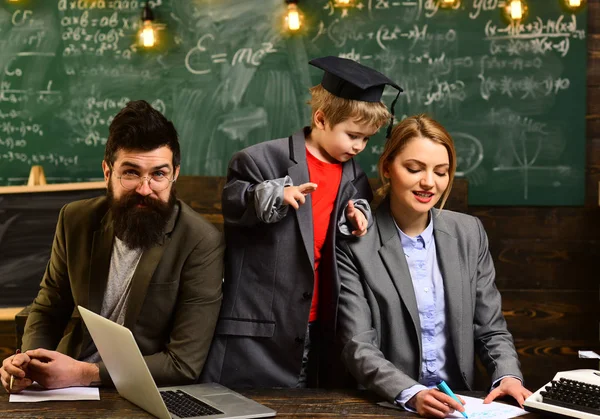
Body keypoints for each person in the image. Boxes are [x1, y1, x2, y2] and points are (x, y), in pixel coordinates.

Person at [200, 56, 403, 388]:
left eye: (367, 139)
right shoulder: (260, 159)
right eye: (352, 135)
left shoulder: (354, 174)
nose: (359, 146)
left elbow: (357, 222)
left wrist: (358, 218)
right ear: (321, 119)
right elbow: (235, 203)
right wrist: (275, 194)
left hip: (318, 329)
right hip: (256, 337)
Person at [1, 100, 224, 393]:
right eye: (131, 173)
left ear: (175, 174)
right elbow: (49, 307)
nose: (145, 189)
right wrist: (30, 362)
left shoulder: (201, 241)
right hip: (66, 384)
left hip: (146, 391)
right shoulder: (75, 219)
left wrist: (83, 373)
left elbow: (183, 363)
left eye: (158, 174)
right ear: (108, 172)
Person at [336, 114, 532, 417]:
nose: (429, 182)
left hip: (462, 404)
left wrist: (507, 375)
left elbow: (490, 328)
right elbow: (357, 344)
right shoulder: (357, 242)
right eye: (414, 169)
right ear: (387, 167)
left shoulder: (469, 232)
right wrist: (412, 394)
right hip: (388, 405)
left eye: (441, 172)